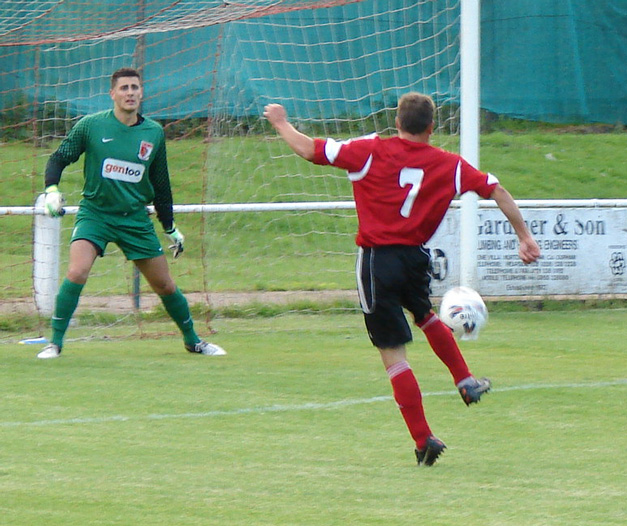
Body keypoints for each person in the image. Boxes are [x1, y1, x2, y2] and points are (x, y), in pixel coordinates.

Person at [262, 93, 541, 466]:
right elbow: (497, 190)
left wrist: (281, 122)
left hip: (377, 261)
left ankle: (424, 439)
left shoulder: (369, 150)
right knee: (425, 315)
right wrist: (525, 237)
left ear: (396, 122)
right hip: (415, 258)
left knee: (393, 355)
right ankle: (465, 380)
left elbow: (309, 149)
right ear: (431, 127)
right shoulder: (450, 165)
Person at [37, 68, 225, 359]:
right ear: (112, 94)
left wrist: (169, 226)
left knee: (164, 284)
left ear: (141, 93)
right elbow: (59, 158)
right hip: (95, 215)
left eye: (135, 87)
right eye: (124, 88)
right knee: (76, 271)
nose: (130, 93)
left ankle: (194, 341)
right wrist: (51, 189)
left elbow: (161, 184)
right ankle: (55, 343)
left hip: (135, 219)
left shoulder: (153, 132)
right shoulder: (91, 125)